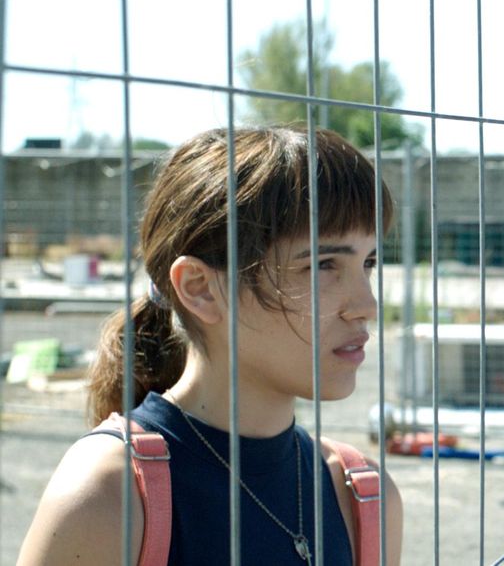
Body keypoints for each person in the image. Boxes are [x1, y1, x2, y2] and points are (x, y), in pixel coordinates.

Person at [17, 127, 403, 565]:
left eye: (369, 263)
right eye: (322, 264)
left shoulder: (364, 497)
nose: (367, 306)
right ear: (199, 288)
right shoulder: (110, 495)